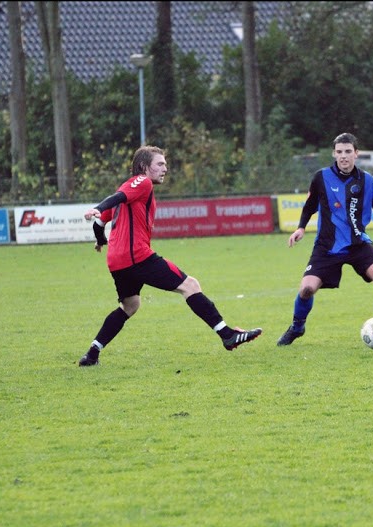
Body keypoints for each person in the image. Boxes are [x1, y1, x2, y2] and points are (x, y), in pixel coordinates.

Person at [77, 145, 262, 366]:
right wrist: (98, 208)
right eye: (160, 164)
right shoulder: (142, 182)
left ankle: (92, 354)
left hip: (117, 262)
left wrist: (100, 240)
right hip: (137, 256)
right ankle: (227, 335)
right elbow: (115, 200)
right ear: (144, 167)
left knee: (130, 306)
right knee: (190, 285)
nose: (165, 168)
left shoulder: (129, 190)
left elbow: (99, 223)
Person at [277, 132, 373, 346]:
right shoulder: (321, 177)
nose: (343, 156)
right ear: (334, 154)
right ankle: (297, 327)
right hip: (327, 246)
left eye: (348, 151)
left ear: (356, 154)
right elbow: (309, 206)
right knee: (306, 289)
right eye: (339, 152)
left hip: (358, 243)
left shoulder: (367, 180)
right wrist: (301, 228)